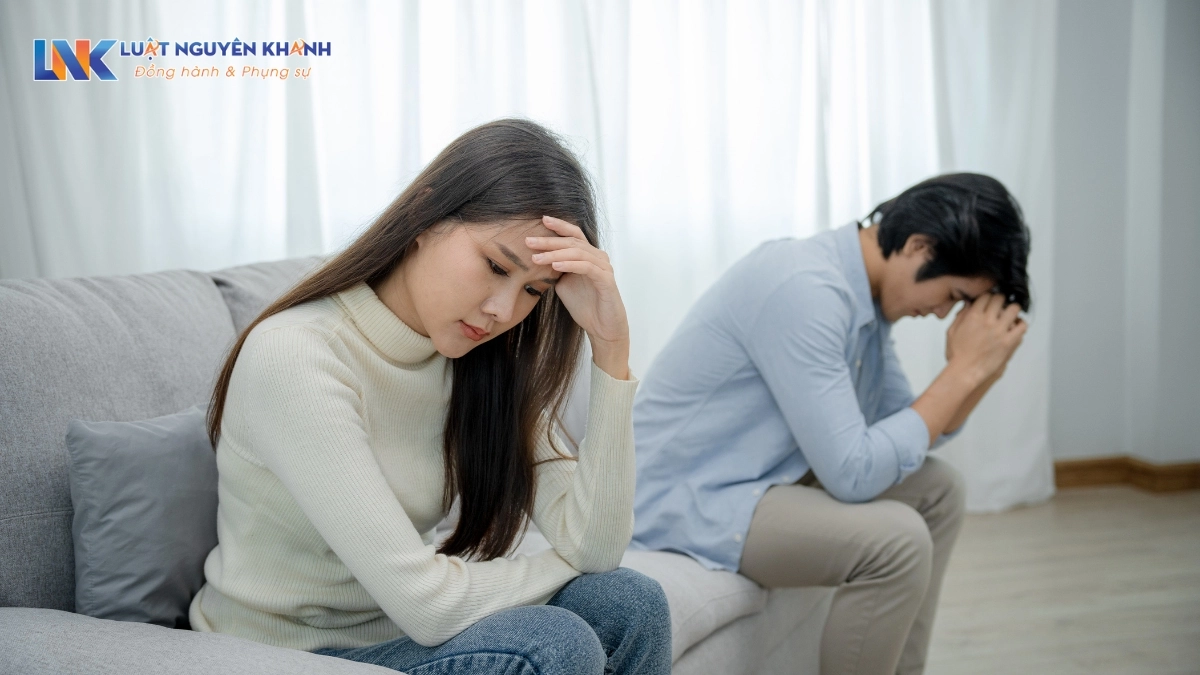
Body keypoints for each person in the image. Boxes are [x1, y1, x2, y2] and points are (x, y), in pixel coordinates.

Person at [189, 119, 672, 675]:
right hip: (279, 654)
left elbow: (597, 548)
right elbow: (429, 606)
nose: (502, 311)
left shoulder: (480, 362)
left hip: (401, 642)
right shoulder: (297, 355)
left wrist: (610, 348)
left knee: (631, 603)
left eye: (532, 291)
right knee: (553, 644)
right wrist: (568, 563)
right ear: (424, 215)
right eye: (496, 266)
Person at [631, 173, 1030, 675]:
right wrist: (963, 371)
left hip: (759, 480)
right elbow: (853, 473)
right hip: (687, 494)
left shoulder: (865, 303)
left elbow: (905, 427)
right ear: (918, 246)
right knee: (898, 541)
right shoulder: (806, 288)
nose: (943, 313)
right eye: (953, 294)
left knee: (941, 490)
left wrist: (983, 371)